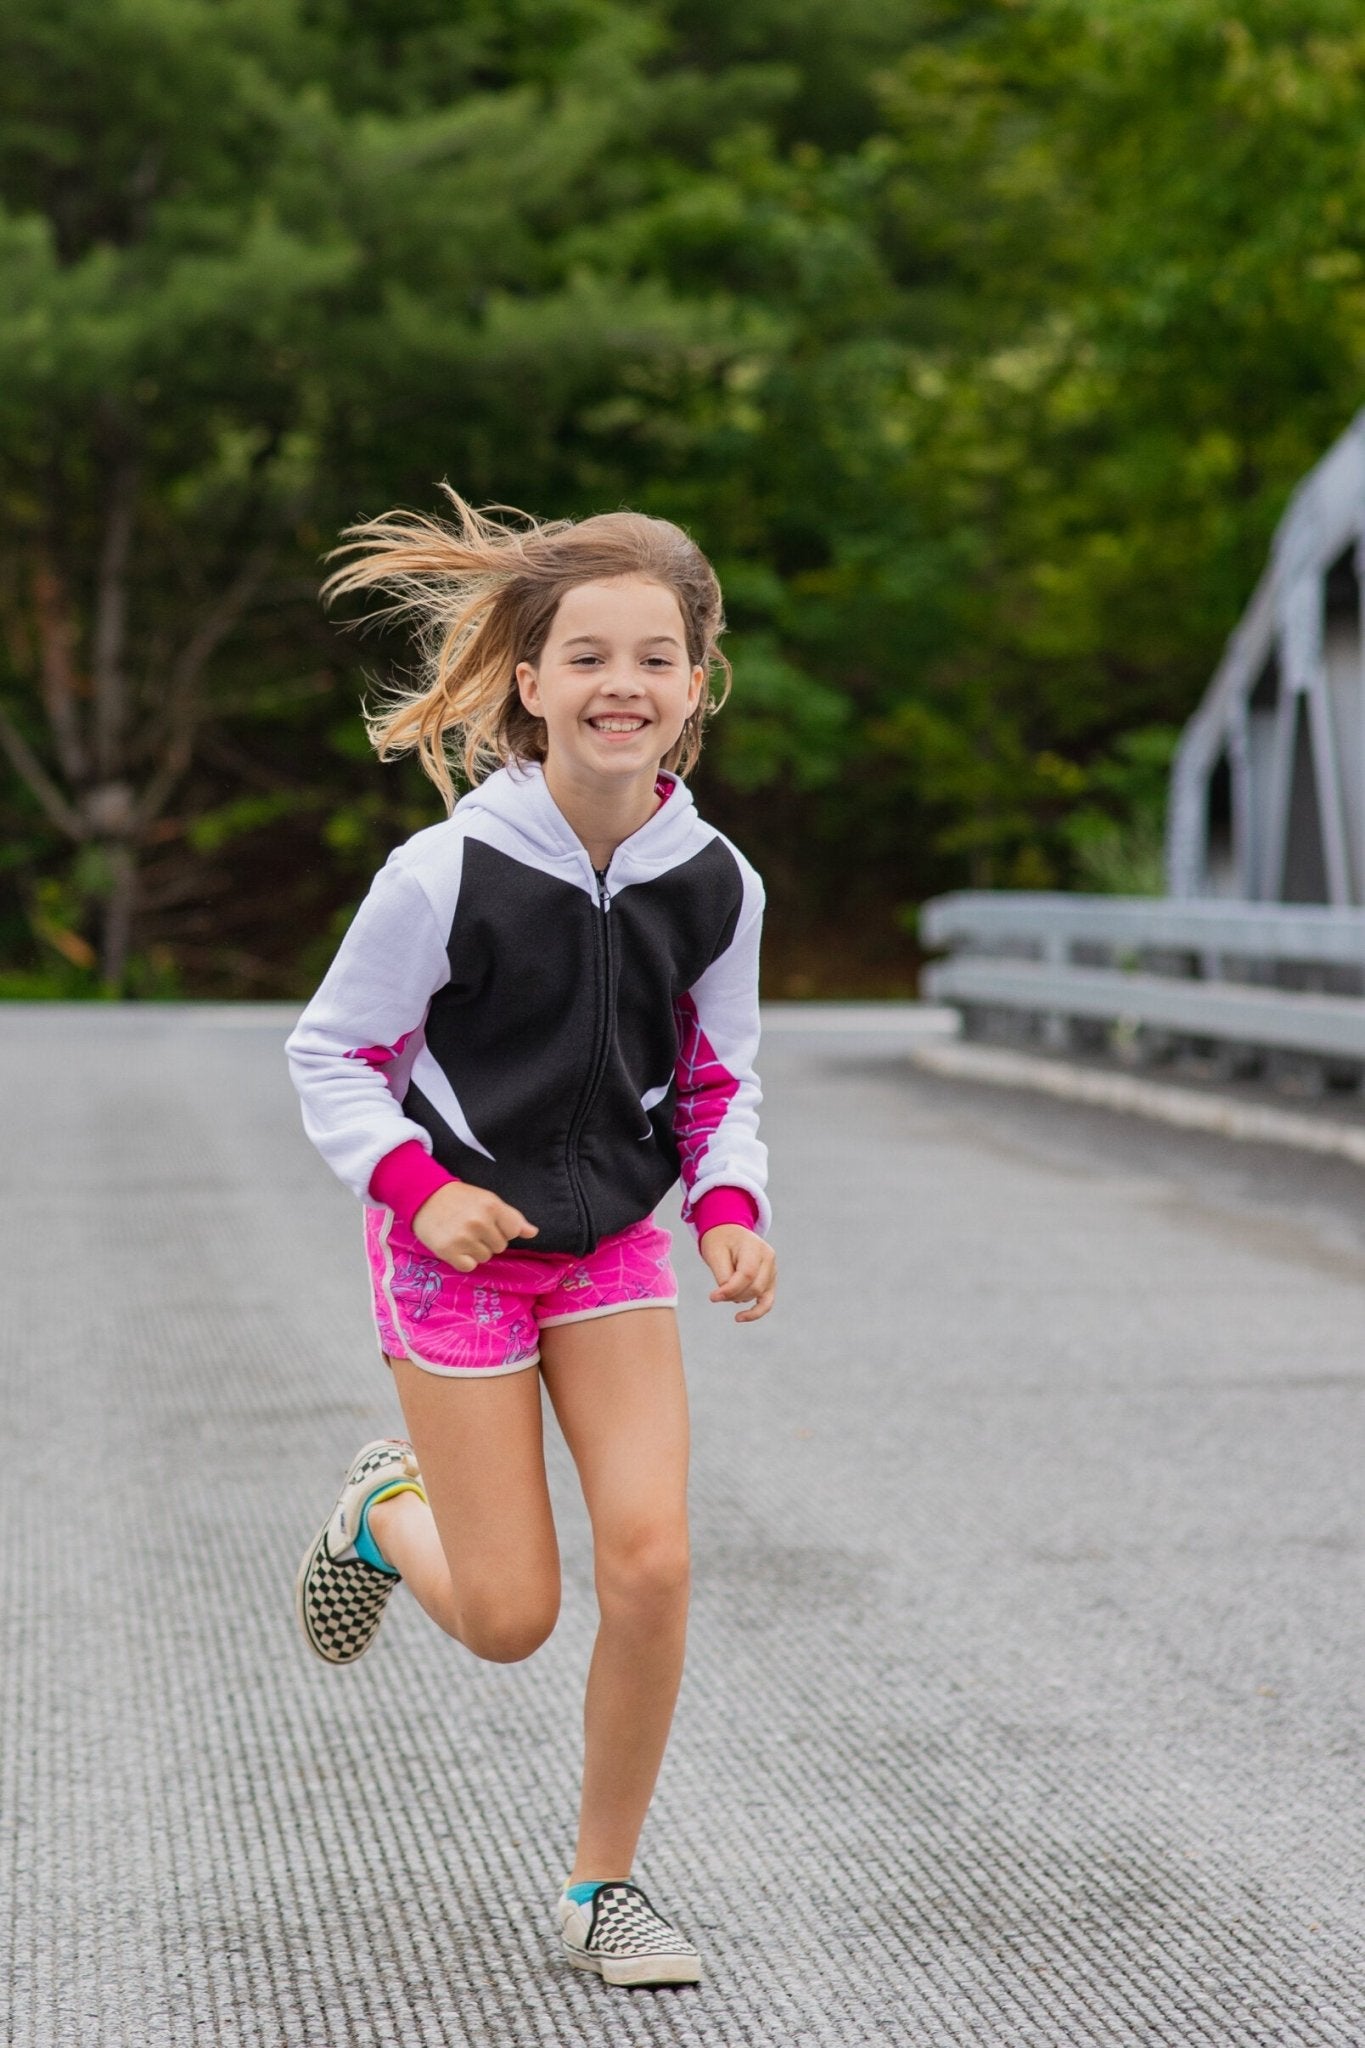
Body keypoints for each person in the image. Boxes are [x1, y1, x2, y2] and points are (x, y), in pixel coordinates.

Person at [285, 492, 777, 1989]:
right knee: (507, 1618)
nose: (620, 684)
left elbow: (720, 1075)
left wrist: (731, 1204)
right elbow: (329, 1054)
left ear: (695, 684)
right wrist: (419, 1190)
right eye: (586, 657)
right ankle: (385, 1512)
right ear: (530, 680)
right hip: (456, 1257)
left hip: (611, 1250)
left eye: (655, 656)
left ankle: (602, 1886)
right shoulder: (444, 872)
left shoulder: (717, 882)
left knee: (652, 1562)